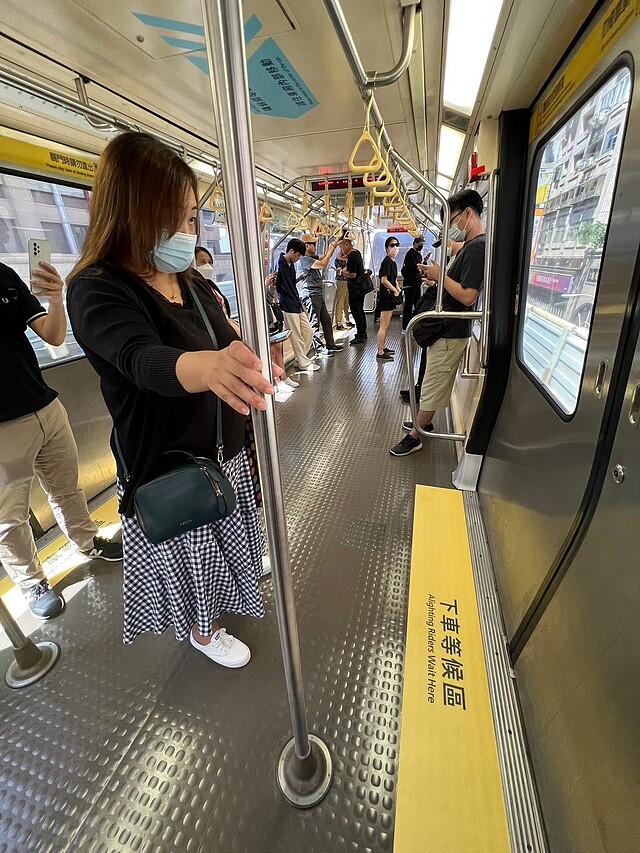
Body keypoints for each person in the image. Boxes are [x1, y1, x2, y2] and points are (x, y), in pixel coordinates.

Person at [66, 131, 283, 667]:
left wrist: (249, 358)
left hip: (223, 449)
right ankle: (203, 632)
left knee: (230, 532)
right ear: (132, 214)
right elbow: (142, 359)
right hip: (169, 463)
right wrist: (207, 368)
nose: (185, 231)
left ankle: (231, 586)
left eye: (190, 218)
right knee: (193, 556)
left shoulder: (189, 280)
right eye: (173, 218)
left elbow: (223, 333)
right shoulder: (97, 289)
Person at [0, 257, 122, 620]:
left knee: (66, 487)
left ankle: (85, 541)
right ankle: (31, 582)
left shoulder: (4, 276)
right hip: (3, 427)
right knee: (9, 518)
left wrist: (55, 298)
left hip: (44, 405)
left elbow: (52, 335)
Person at [389, 189, 486, 456]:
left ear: (467, 214)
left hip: (451, 329)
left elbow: (467, 296)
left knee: (432, 383)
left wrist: (440, 275)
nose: (452, 228)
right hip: (447, 329)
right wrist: (437, 280)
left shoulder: (477, 248)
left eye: (452, 220)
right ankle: (425, 421)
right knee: (433, 379)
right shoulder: (470, 247)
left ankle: (416, 435)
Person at [276, 238, 319, 371]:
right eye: (298, 255)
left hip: (296, 302)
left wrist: (299, 279)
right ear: (291, 251)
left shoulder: (291, 264)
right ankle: (303, 362)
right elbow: (279, 286)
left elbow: (289, 283)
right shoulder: (280, 263)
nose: (299, 258)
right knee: (296, 335)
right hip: (287, 304)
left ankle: (299, 359)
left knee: (308, 332)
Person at [296, 235, 343, 354]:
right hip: (310, 294)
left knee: (326, 320)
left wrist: (334, 245)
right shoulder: (304, 259)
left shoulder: (311, 257)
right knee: (315, 321)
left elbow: (325, 256)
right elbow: (323, 264)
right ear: (306, 246)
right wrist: (331, 250)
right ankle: (318, 348)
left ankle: (330, 344)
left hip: (318, 292)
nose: (315, 247)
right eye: (313, 244)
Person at [338, 236, 368, 345]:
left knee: (356, 311)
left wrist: (341, 272)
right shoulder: (357, 253)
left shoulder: (352, 256)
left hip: (355, 288)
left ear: (346, 245)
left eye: (342, 247)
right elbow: (340, 257)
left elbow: (352, 274)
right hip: (361, 287)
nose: (341, 250)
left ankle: (360, 335)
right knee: (360, 310)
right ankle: (363, 333)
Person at [376, 236, 402, 361]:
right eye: (392, 245)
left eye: (397, 245)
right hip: (386, 297)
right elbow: (384, 280)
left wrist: (397, 286)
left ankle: (383, 347)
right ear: (387, 248)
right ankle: (380, 352)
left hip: (390, 296)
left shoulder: (393, 262)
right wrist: (394, 290)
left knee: (386, 325)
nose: (395, 248)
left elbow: (394, 279)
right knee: (384, 325)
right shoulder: (387, 262)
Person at [194, 245, 231, 317]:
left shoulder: (211, 285)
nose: (208, 266)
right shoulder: (191, 288)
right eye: (203, 262)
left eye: (210, 262)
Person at [400, 235, 425, 332]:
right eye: (420, 244)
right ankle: (405, 327)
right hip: (410, 284)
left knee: (417, 304)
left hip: (417, 284)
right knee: (408, 305)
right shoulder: (410, 254)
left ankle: (414, 325)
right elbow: (414, 268)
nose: (421, 246)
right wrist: (420, 268)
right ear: (415, 244)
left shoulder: (419, 255)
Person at [333, 247, 353, 330]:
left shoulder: (348, 259)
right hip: (341, 281)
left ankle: (347, 320)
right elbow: (339, 270)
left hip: (347, 281)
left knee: (346, 302)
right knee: (340, 301)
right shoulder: (338, 259)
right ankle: (338, 321)